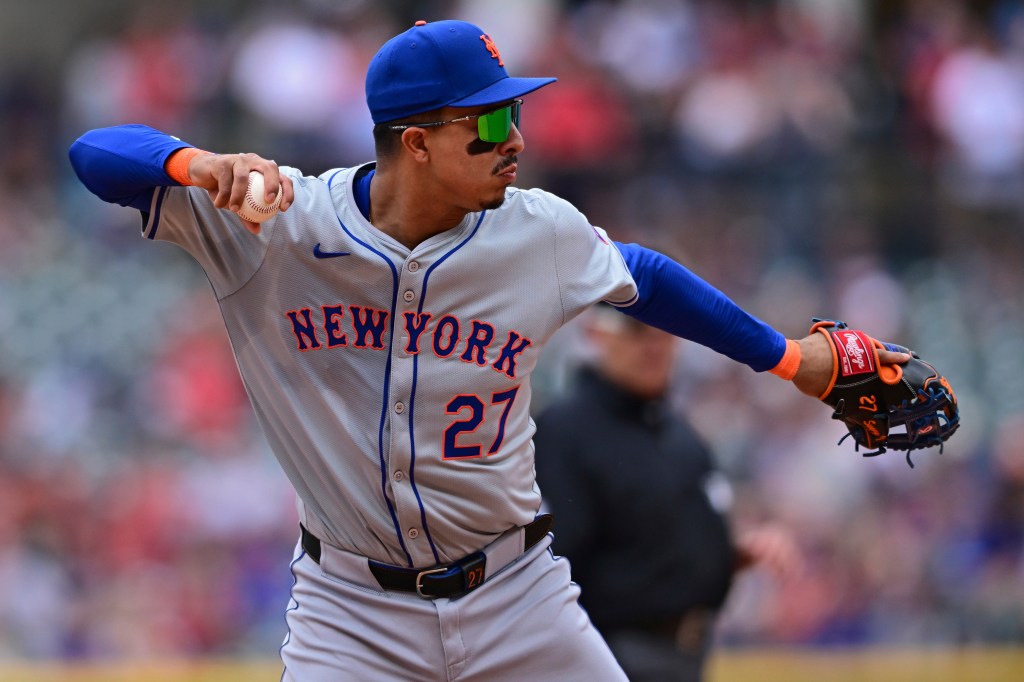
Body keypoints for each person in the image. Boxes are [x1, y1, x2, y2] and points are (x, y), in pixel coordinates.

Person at [67, 18, 910, 681]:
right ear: (416, 140)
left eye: (518, 112)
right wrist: (190, 161)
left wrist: (788, 359)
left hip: (516, 593)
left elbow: (643, 277)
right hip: (349, 612)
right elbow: (94, 156)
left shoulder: (537, 230)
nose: (515, 136)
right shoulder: (277, 225)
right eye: (492, 117)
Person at [534, 304, 803, 682]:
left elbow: (652, 549)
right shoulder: (564, 432)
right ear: (597, 333)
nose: (654, 344)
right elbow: (554, 563)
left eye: (663, 331)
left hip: (687, 657)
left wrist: (733, 556)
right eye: (636, 331)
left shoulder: (680, 435)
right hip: (608, 659)